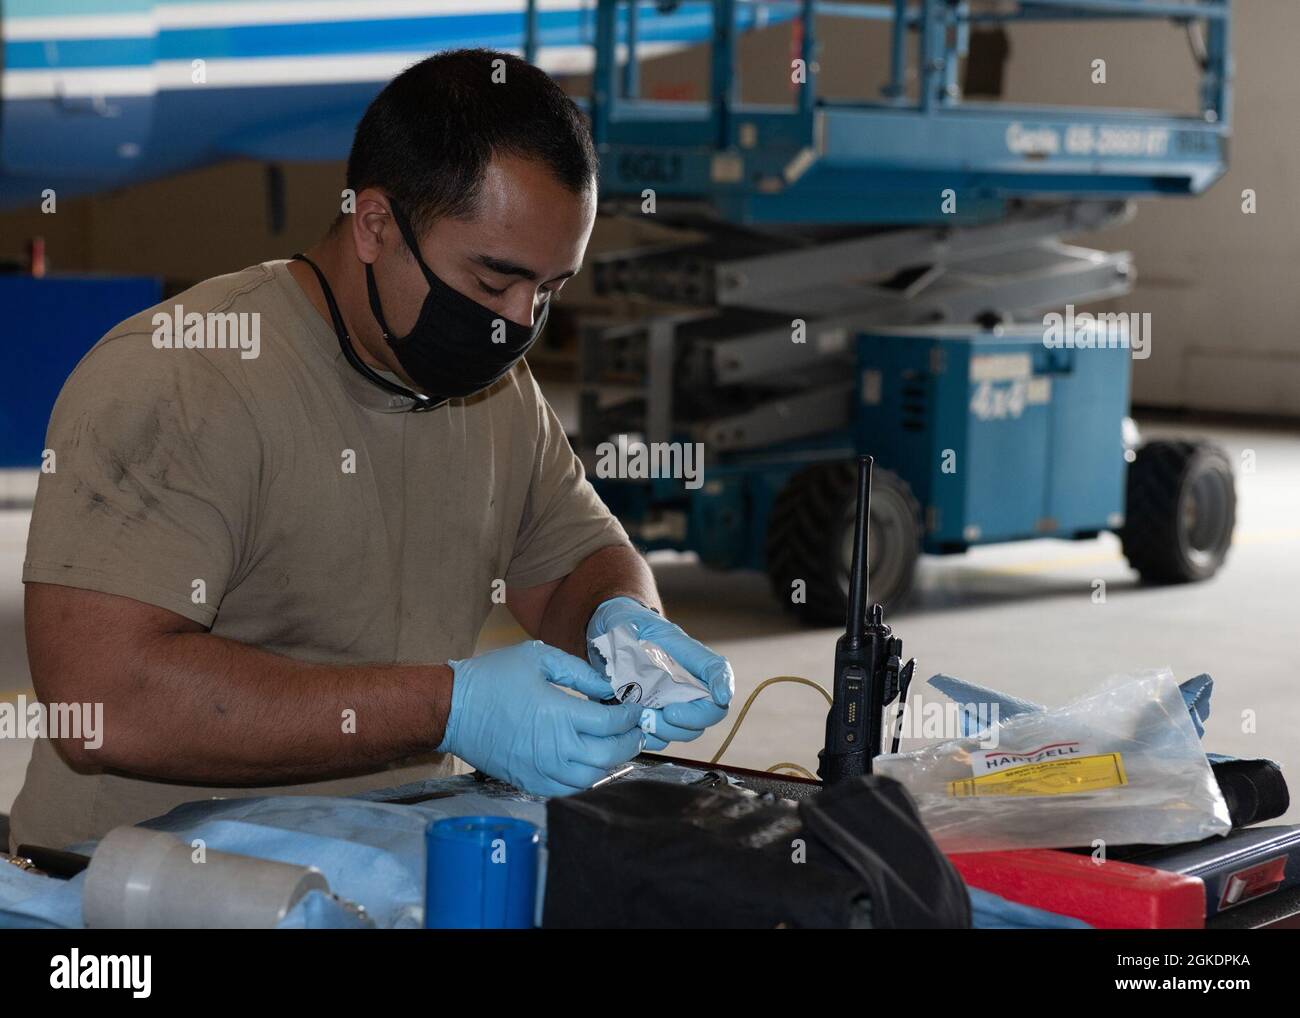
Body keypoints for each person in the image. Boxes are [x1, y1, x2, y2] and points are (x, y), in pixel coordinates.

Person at [12, 48, 732, 851]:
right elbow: (105, 701)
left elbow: (571, 560)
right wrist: (446, 707)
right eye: (494, 283)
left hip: (376, 862)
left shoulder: (495, 392)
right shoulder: (184, 375)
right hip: (136, 886)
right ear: (376, 224)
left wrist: (620, 624)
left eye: (550, 290)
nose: (519, 323)